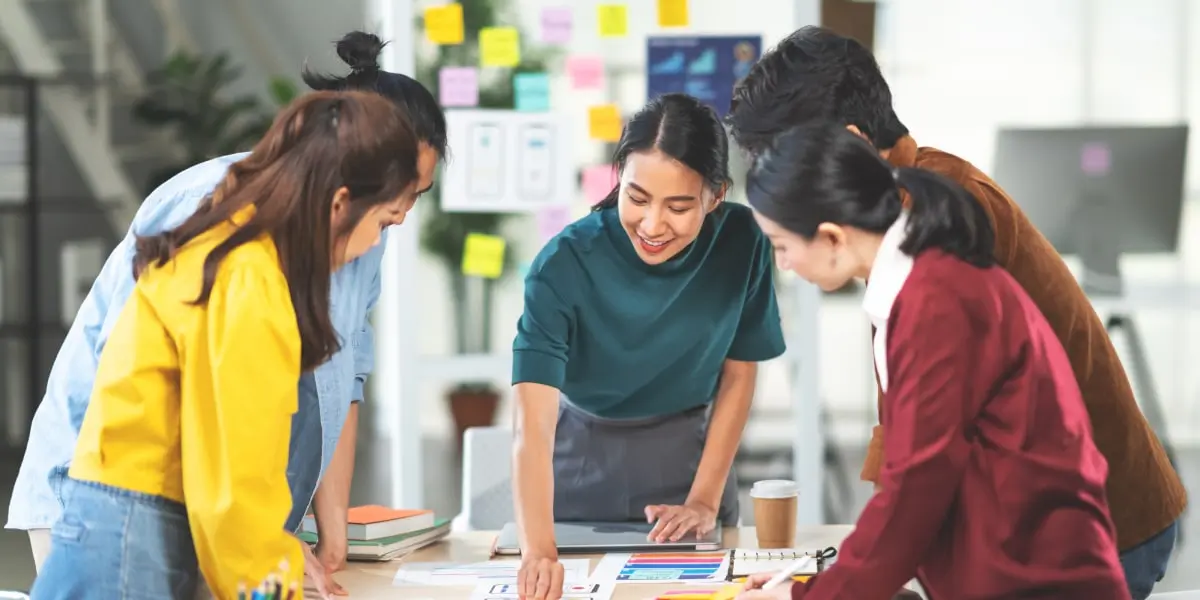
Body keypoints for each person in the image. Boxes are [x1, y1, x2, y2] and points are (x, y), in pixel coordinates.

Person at [725, 25, 1186, 600]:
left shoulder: (935, 235)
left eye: (788, 161)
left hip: (1080, 533)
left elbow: (925, 468)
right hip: (1025, 531)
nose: (784, 256)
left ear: (844, 145)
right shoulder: (903, 215)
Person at [7, 31, 446, 598]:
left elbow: (242, 467)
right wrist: (273, 577)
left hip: (142, 511)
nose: (393, 229)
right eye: (388, 215)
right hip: (134, 520)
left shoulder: (252, 243)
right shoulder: (248, 275)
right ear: (342, 200)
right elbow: (232, 483)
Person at [511, 93, 786, 600]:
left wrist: (703, 500)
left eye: (679, 207)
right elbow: (532, 421)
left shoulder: (744, 242)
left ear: (716, 195)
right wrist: (538, 550)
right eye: (636, 198)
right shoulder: (563, 263)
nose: (653, 225)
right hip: (575, 466)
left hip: (689, 460)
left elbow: (740, 373)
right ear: (618, 175)